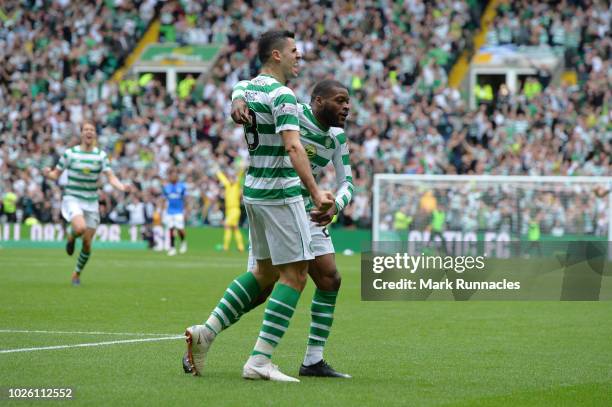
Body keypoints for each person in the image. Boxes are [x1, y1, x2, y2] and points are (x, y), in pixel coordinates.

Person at [184, 30, 335, 382]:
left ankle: (206, 332)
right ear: (277, 55)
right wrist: (314, 192)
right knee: (295, 276)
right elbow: (294, 147)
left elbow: (240, 87)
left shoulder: (249, 88)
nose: (300, 56)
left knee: (264, 274)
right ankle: (259, 360)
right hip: (281, 194)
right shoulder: (282, 94)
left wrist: (236, 95)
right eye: (295, 51)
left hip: (253, 191)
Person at [43, 121, 131, 285]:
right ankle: (71, 237)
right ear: (81, 133)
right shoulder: (70, 154)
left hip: (91, 202)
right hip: (73, 198)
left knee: (87, 244)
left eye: (92, 130)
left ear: (95, 134)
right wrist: (48, 174)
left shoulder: (100, 155)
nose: (89, 132)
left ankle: (76, 274)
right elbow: (56, 174)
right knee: (80, 228)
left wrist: (121, 186)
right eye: (86, 130)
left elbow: (110, 176)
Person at [216, 167, 245, 252]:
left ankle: (225, 247)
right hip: (229, 210)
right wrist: (218, 172)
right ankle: (241, 247)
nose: (231, 179)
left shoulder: (236, 186)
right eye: (230, 178)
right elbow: (223, 179)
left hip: (234, 210)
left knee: (226, 226)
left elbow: (239, 177)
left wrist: (241, 170)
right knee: (235, 228)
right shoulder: (228, 186)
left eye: (233, 178)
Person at [162, 168, 188, 256]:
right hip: (170, 211)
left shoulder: (182, 186)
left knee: (180, 228)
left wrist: (186, 210)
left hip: (179, 211)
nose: (172, 177)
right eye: (171, 176)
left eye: (174, 175)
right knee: (171, 229)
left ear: (177, 177)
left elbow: (185, 199)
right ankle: (172, 247)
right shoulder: (167, 187)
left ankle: (183, 242)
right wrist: (162, 210)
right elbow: (163, 199)